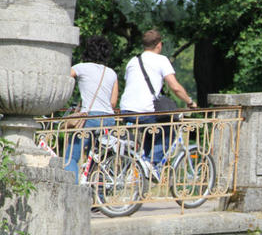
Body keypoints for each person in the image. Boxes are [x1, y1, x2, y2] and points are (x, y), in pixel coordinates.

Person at [119, 29, 195, 170]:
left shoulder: (132, 61)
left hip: (126, 110)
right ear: (159, 45)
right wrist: (190, 102)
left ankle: (144, 167)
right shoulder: (161, 60)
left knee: (153, 130)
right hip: (144, 110)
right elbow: (175, 87)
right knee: (170, 128)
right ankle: (151, 164)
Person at [63, 35, 119, 183]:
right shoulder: (111, 73)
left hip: (89, 118)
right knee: (98, 160)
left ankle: (72, 193)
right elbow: (113, 103)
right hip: (108, 119)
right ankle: (98, 196)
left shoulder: (80, 68)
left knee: (71, 158)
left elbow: (63, 78)